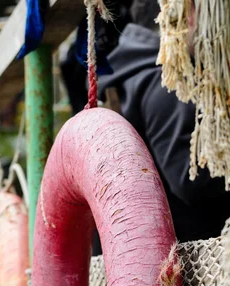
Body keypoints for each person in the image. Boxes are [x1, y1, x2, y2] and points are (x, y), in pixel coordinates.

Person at [98, 0, 230, 242]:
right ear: (186, 16)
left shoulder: (132, 71)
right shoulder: (167, 83)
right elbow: (191, 179)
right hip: (195, 258)